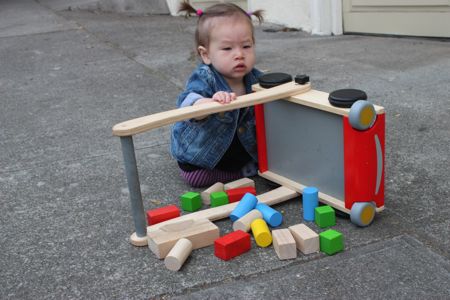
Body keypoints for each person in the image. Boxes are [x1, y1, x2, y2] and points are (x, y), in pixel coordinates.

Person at [170, 1, 264, 187]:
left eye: (246, 46)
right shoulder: (205, 77)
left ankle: (243, 167)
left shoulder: (255, 78)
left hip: (238, 147)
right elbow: (187, 102)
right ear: (206, 55)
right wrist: (206, 103)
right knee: (196, 178)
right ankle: (239, 173)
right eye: (227, 49)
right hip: (202, 154)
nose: (239, 54)